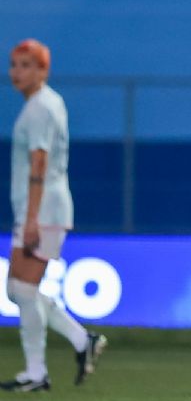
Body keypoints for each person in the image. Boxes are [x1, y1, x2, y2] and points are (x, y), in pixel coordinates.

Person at [1, 39, 106, 393]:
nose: (17, 72)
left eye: (26, 65)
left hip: (43, 208)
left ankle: (36, 372)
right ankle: (81, 339)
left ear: (43, 70)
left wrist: (31, 218)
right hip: (42, 207)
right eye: (14, 65)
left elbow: (40, 162)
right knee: (18, 290)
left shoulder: (40, 108)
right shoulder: (46, 103)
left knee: (24, 290)